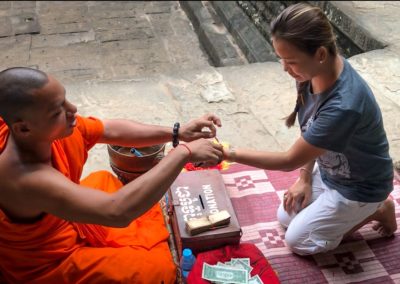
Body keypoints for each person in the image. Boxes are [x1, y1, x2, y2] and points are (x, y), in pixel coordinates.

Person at [0, 67, 224, 283]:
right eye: (58, 110)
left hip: (66, 217)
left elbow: (109, 130)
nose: (73, 108)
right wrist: (183, 154)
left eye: (65, 99)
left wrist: (177, 133)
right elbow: (117, 212)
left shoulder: (36, 129)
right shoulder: (24, 177)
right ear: (23, 128)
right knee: (155, 270)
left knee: (103, 179)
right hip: (50, 260)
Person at [222, 3, 397, 255]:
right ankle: (359, 209)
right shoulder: (311, 73)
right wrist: (305, 178)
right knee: (286, 216)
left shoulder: (344, 105)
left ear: (321, 54)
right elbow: (310, 130)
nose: (285, 68)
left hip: (362, 187)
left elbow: (288, 160)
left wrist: (229, 154)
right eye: (281, 59)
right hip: (331, 175)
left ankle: (378, 210)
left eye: (290, 61)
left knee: (299, 242)